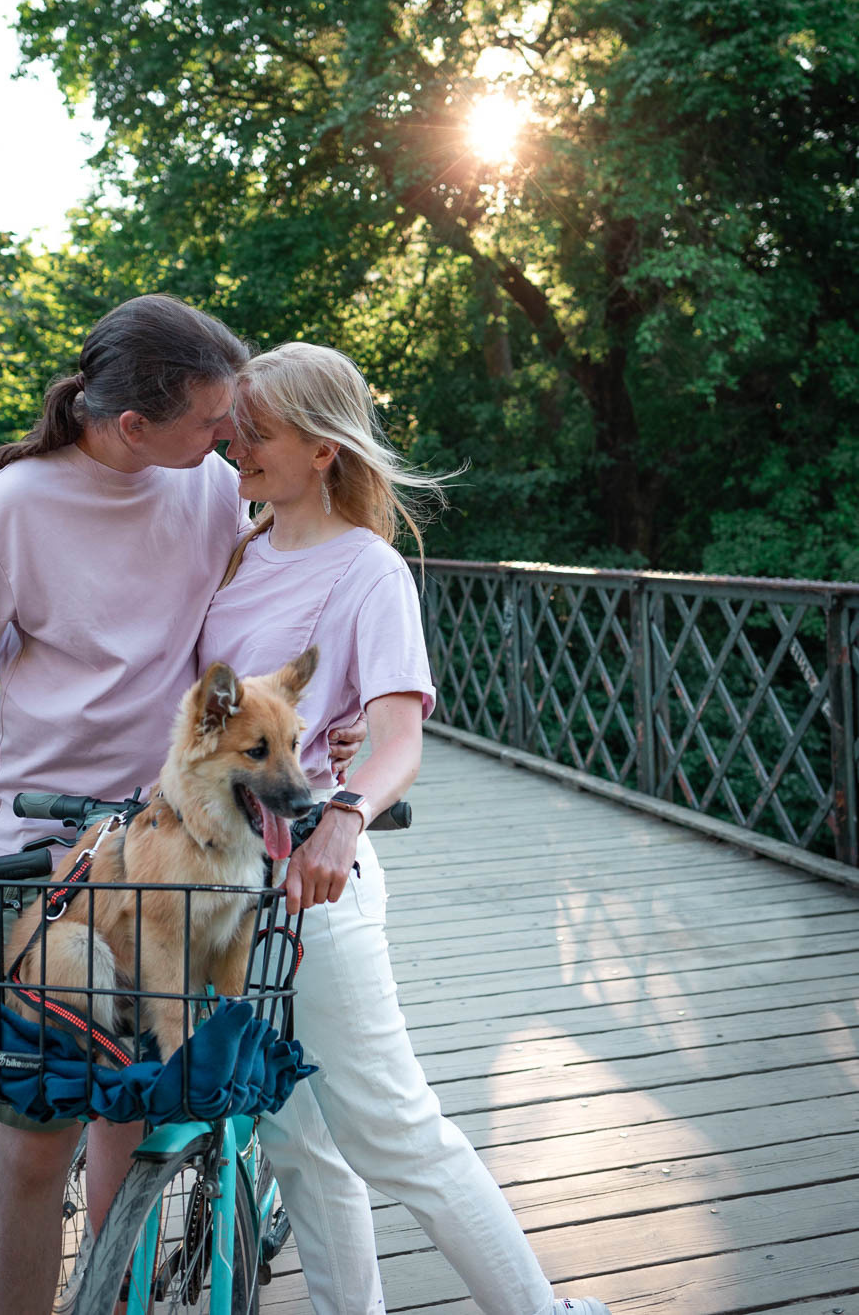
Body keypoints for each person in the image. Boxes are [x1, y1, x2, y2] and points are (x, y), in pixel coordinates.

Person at [0, 295, 358, 1315]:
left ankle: (118, 1294)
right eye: (213, 424)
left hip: (170, 853)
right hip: (46, 863)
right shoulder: (14, 513)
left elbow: (288, 595)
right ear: (131, 425)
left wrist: (340, 717)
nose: (233, 441)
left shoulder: (208, 493)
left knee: (128, 1124)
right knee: (33, 1147)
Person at [196, 341, 611, 1315]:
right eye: (236, 425)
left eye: (259, 430)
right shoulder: (236, 549)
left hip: (314, 887)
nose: (236, 444)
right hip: (220, 880)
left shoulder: (368, 572)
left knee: (392, 1131)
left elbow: (397, 743)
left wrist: (345, 815)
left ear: (322, 450)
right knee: (297, 1140)